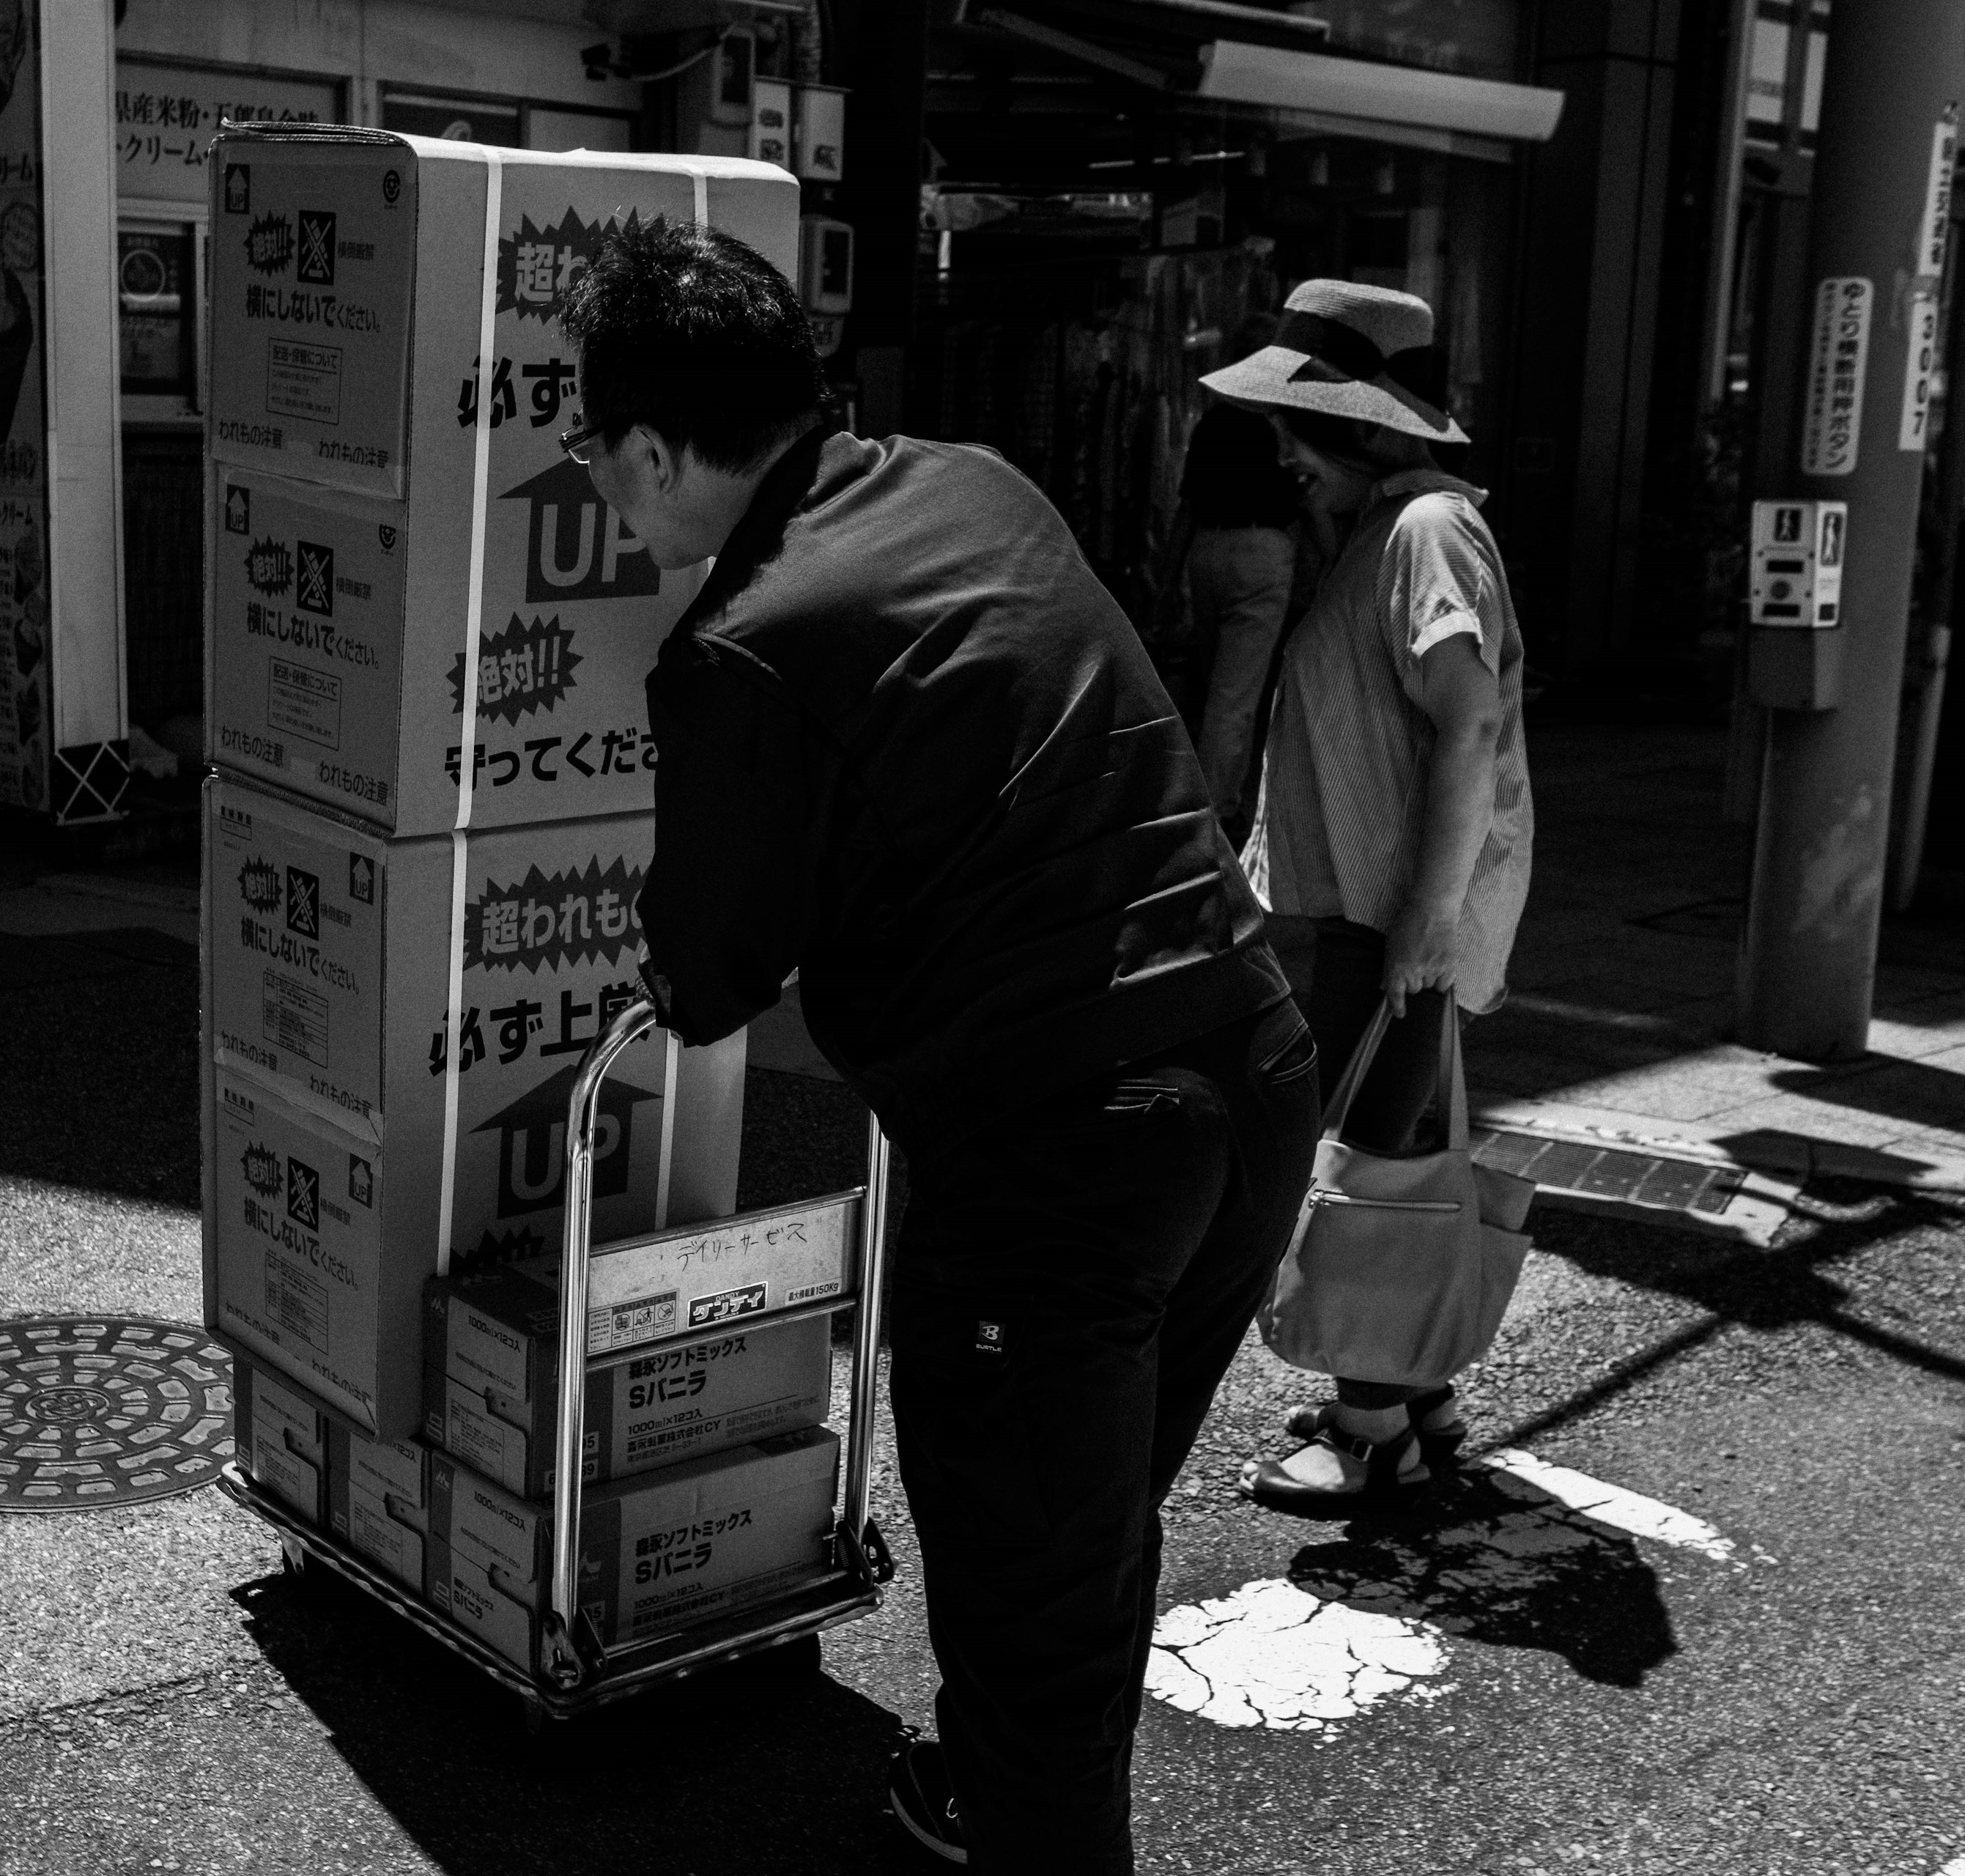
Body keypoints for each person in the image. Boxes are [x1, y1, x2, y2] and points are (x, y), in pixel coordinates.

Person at [560, 220, 1320, 1874]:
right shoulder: (973, 482)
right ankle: (981, 1785)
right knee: (1082, 1536)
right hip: (1252, 1070)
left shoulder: (738, 644)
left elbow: (706, 974)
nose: (604, 496)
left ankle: (1025, 1813)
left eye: (594, 452)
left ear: (648, 445)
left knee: (1036, 1597)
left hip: (1064, 1148)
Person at [1199, 280, 1535, 1510]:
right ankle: (1412, 1394)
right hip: (1365, 908)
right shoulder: (1390, 528)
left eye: (1302, 421)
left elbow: (1469, 721)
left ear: (1365, 425)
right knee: (1387, 1145)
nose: (1282, 448)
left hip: (1386, 915)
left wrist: (1428, 922)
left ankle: (1369, 1429)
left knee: (1374, 1162)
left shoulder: (1425, 531)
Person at [1153, 316, 1307, 838]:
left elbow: (1187, 509)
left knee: (1213, 679)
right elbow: (1308, 502)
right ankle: (1214, 809)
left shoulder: (1213, 423)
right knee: (1235, 693)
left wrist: (1168, 580)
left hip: (1208, 550)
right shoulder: (1281, 425)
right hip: (1263, 550)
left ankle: (1202, 795)